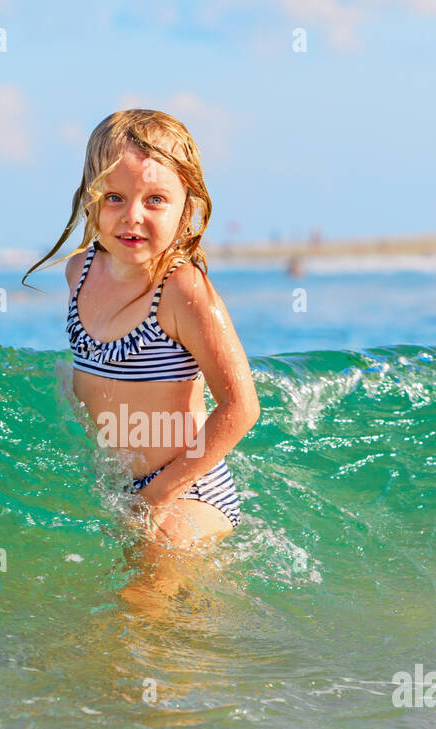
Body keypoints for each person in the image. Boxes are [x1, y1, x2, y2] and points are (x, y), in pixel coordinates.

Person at [23, 110, 259, 551]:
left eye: (155, 200)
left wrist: (157, 496)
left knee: (144, 587)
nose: (133, 216)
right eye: (114, 197)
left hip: (187, 489)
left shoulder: (181, 290)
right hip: (118, 486)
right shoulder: (80, 271)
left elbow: (241, 407)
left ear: (187, 206)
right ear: (90, 199)